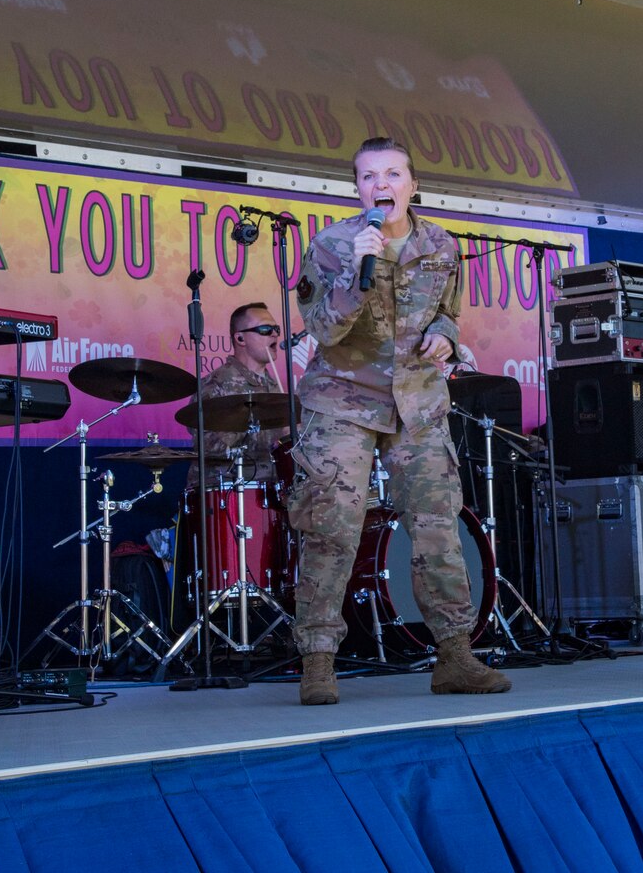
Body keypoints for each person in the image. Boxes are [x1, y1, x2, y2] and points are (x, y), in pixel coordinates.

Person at [289, 137, 509, 704]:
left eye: (392, 174)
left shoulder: (442, 245)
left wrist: (446, 336)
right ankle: (318, 661)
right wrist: (357, 269)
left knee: (438, 526)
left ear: (413, 184)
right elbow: (325, 329)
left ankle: (455, 656)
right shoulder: (333, 244)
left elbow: (448, 313)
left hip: (417, 401)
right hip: (342, 401)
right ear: (357, 187)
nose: (380, 185)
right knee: (331, 529)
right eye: (368, 177)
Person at [199, 303, 288, 484]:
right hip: (228, 492)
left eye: (276, 329)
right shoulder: (216, 384)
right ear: (240, 339)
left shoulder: (274, 386)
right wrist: (278, 433)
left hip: (271, 491)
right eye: (265, 329)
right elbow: (211, 446)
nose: (274, 334)